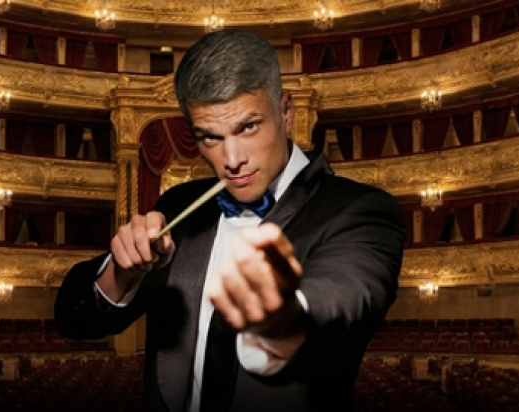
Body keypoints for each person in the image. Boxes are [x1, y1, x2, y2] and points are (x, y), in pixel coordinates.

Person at [55, 28, 404, 412]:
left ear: (286, 111)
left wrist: (288, 318)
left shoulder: (361, 209)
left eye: (248, 127)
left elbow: (349, 292)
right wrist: (123, 274)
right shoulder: (179, 206)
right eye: (210, 137)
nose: (232, 160)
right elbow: (76, 321)